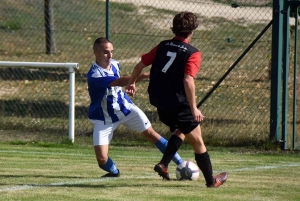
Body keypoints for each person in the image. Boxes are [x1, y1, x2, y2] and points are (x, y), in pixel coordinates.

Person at [125, 12, 228, 187]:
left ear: (174, 27)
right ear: (192, 30)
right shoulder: (192, 53)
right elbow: (188, 79)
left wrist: (131, 82)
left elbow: (140, 65)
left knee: (180, 130)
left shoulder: (162, 45)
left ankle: (163, 164)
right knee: (198, 142)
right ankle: (212, 182)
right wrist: (194, 108)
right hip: (178, 104)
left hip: (159, 102)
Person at [87, 37, 183, 177]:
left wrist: (131, 84)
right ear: (96, 52)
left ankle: (181, 164)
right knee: (102, 159)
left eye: (112, 52)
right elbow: (119, 81)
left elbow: (125, 81)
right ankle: (114, 172)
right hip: (105, 118)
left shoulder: (115, 64)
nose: (110, 56)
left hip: (126, 109)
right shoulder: (94, 74)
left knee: (152, 134)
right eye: (106, 52)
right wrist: (143, 75)